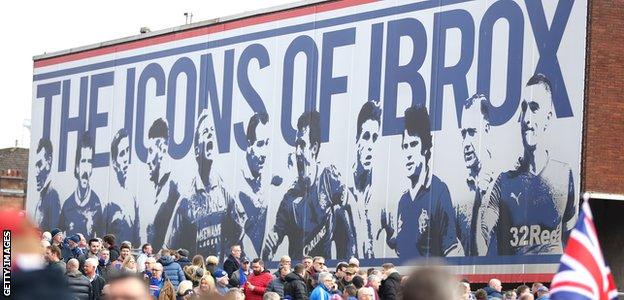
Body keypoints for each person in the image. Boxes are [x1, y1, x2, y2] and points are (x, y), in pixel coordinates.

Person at [477, 74, 577, 256]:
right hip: (513, 280)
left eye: (534, 108)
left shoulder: (564, 174)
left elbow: (572, 240)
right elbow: (482, 239)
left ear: (548, 117)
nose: (527, 118)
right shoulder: (504, 181)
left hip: (550, 280)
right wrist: (479, 196)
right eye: (524, 108)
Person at [262, 110, 349, 260]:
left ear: (314, 148)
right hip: (300, 276)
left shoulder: (329, 179)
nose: (297, 152)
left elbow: (351, 207)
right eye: (296, 145)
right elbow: (272, 241)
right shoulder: (289, 201)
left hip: (323, 272)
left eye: (301, 145)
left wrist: (347, 259)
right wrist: (268, 249)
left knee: (342, 213)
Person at [381, 106, 463, 258]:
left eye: (413, 145)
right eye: (405, 146)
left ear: (425, 148)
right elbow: (403, 250)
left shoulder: (439, 192)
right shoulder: (403, 201)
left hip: (428, 279)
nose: (408, 154)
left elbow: (451, 249)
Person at [163, 111, 244, 258]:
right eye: (205, 132)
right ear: (196, 150)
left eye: (212, 132)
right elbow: (168, 248)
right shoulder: (186, 201)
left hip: (218, 275)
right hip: (197, 275)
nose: (210, 135)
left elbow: (239, 233)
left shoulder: (224, 192)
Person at [238, 112, 282, 258]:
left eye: (267, 144)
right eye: (260, 144)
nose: (264, 153)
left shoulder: (271, 182)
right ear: (249, 145)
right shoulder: (238, 187)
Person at [456, 94, 496, 256]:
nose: (466, 142)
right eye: (463, 134)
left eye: (472, 132)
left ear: (486, 129)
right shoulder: (458, 195)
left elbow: (484, 254)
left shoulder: (504, 182)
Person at [343, 101, 383, 259]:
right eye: (366, 137)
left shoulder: (381, 195)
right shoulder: (343, 191)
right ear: (356, 139)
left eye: (375, 138)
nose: (370, 145)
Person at [145, 118, 182, 250]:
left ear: (162, 148)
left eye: (150, 151)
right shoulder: (158, 190)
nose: (148, 160)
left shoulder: (173, 191)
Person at [59, 132, 104, 237]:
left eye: (90, 162)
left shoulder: (96, 204)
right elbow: (59, 237)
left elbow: (101, 239)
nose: (86, 169)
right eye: (83, 161)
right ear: (77, 166)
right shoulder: (67, 204)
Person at [105, 128, 141, 245]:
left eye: (127, 151)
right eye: (121, 154)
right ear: (114, 162)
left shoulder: (133, 196)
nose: (126, 158)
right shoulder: (109, 200)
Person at [33, 137, 61, 231]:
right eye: (36, 166)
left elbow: (55, 233)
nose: (36, 173)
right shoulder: (43, 195)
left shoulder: (53, 197)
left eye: (40, 165)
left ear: (49, 161)